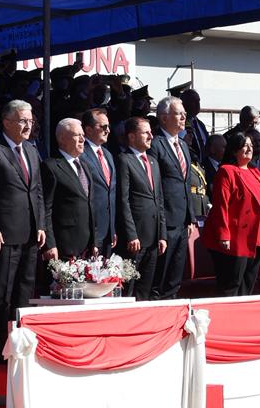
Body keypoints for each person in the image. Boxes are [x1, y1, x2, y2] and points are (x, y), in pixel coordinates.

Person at [0, 99, 48, 360]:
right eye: (22, 120)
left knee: (24, 291)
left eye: (31, 120)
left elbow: (37, 193)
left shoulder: (31, 150)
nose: (28, 125)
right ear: (6, 122)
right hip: (3, 234)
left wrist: (41, 225)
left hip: (29, 233)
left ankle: (19, 344)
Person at [202, 130, 260, 296]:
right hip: (235, 239)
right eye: (244, 146)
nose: (249, 149)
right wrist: (224, 235)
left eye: (250, 145)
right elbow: (221, 205)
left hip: (255, 237)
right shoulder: (227, 171)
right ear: (234, 150)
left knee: (248, 283)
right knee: (231, 285)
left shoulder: (255, 172)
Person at [115, 115, 168, 300]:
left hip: (154, 237)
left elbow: (159, 200)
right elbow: (123, 200)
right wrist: (131, 234)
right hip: (135, 237)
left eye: (151, 132)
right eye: (145, 132)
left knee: (145, 287)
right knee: (128, 287)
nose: (151, 136)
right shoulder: (124, 160)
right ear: (131, 136)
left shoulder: (153, 162)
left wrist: (162, 234)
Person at [151, 97, 197, 300]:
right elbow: (156, 186)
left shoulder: (183, 146)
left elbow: (185, 183)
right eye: (179, 113)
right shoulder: (156, 144)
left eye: (184, 113)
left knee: (175, 277)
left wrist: (190, 217)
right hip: (165, 221)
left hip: (182, 221)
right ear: (163, 118)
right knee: (160, 277)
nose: (183, 117)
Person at [43, 118, 98, 261]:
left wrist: (94, 241)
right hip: (64, 245)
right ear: (62, 138)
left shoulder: (85, 166)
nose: (82, 140)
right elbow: (46, 209)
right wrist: (50, 244)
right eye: (77, 135)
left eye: (83, 136)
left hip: (87, 247)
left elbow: (90, 204)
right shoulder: (51, 166)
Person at [81, 107, 118, 257]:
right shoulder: (81, 154)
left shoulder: (108, 155)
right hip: (91, 231)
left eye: (108, 126)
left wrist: (112, 229)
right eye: (103, 126)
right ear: (88, 130)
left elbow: (111, 193)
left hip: (108, 230)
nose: (108, 130)